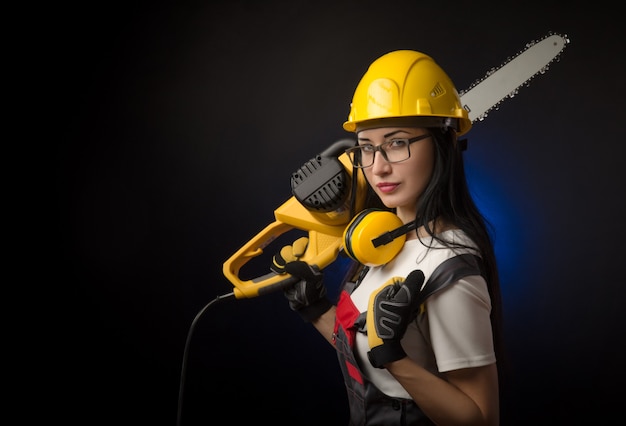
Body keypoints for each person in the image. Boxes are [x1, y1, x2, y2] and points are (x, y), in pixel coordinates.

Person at [271, 49, 504, 426]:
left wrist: (394, 358)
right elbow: (367, 354)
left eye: (397, 143)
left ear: (442, 145)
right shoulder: (384, 241)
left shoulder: (449, 268)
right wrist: (316, 310)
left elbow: (481, 418)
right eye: (366, 147)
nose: (378, 167)